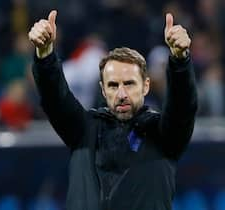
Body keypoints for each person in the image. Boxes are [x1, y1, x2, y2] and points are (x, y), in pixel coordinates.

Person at [28, 10, 197, 210]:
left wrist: (180, 61)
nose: (122, 93)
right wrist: (45, 55)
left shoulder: (164, 135)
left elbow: (182, 108)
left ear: (146, 86)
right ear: (103, 89)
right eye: (114, 85)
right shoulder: (83, 130)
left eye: (129, 84)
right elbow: (55, 98)